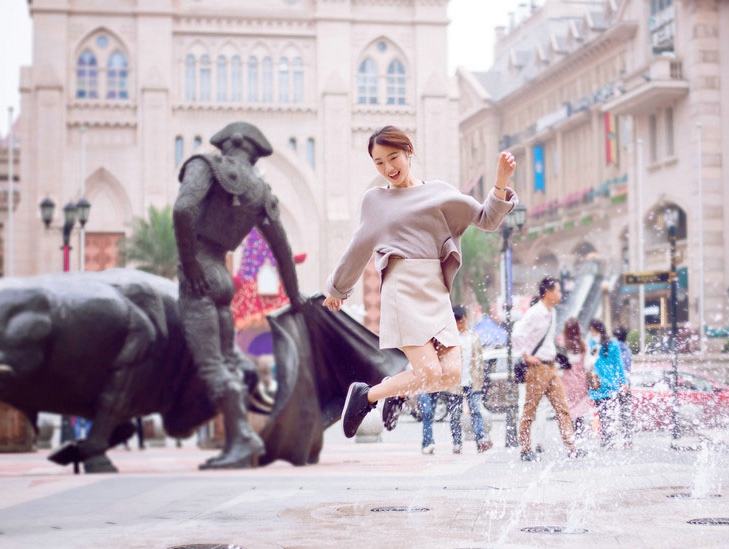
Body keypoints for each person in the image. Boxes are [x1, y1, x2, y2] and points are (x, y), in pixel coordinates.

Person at [323, 126, 517, 438]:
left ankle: (391, 391)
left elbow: (487, 219)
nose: (388, 168)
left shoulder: (439, 192)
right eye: (379, 162)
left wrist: (500, 183)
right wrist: (337, 289)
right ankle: (366, 397)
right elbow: (358, 247)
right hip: (403, 289)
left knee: (451, 373)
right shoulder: (375, 201)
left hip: (435, 291)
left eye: (393, 157)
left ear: (409, 153)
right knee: (428, 372)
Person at [173, 121, 307, 469]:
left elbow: (183, 210)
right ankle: (239, 438)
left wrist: (190, 265)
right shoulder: (261, 193)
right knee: (228, 361)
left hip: (201, 273)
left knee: (213, 363)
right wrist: (295, 298)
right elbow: (282, 250)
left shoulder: (205, 166)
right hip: (222, 278)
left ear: (228, 144)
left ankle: (242, 439)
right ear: (252, 151)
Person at [513, 277, 584, 461]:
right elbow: (517, 333)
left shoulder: (551, 312)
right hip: (537, 368)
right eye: (558, 291)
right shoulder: (535, 313)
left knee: (562, 408)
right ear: (548, 293)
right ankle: (525, 449)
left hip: (551, 368)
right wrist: (526, 355)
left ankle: (572, 446)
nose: (561, 294)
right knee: (530, 409)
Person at [447, 305, 494, 454]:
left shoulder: (474, 336)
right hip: (455, 382)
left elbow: (479, 360)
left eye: (460, 321)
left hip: (473, 382)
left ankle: (480, 440)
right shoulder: (451, 338)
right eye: (456, 322)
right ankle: (457, 443)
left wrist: (480, 380)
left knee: (476, 411)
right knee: (455, 414)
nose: (459, 325)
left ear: (465, 319)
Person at [587, 320, 629, 449]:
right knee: (609, 412)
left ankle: (606, 438)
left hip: (598, 384)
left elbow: (587, 364)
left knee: (602, 412)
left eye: (591, 329)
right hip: (611, 383)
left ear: (594, 329)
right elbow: (619, 364)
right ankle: (608, 437)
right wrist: (623, 381)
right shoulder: (613, 343)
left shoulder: (590, 343)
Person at [559, 318, 594, 443]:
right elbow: (586, 365)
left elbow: (559, 366)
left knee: (568, 411)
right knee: (580, 413)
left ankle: (571, 440)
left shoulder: (563, 346)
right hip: (580, 382)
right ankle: (579, 440)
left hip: (566, 383)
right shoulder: (584, 345)